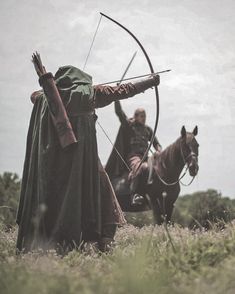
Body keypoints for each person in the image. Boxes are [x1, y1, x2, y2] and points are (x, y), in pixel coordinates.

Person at [16, 52, 160, 253]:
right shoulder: (89, 94)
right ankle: (104, 241)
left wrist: (51, 89)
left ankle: (67, 243)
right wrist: (150, 81)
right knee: (106, 194)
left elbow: (34, 96)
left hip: (54, 167)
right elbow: (124, 89)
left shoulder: (45, 98)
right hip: (85, 163)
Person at [105, 101, 162, 206]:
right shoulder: (129, 126)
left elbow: (156, 143)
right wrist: (117, 98)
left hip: (146, 157)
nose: (144, 118)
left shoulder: (148, 130)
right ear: (135, 116)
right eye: (141, 116)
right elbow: (119, 112)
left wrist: (159, 150)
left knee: (158, 168)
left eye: (145, 116)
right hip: (134, 157)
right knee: (139, 166)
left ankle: (159, 194)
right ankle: (134, 194)